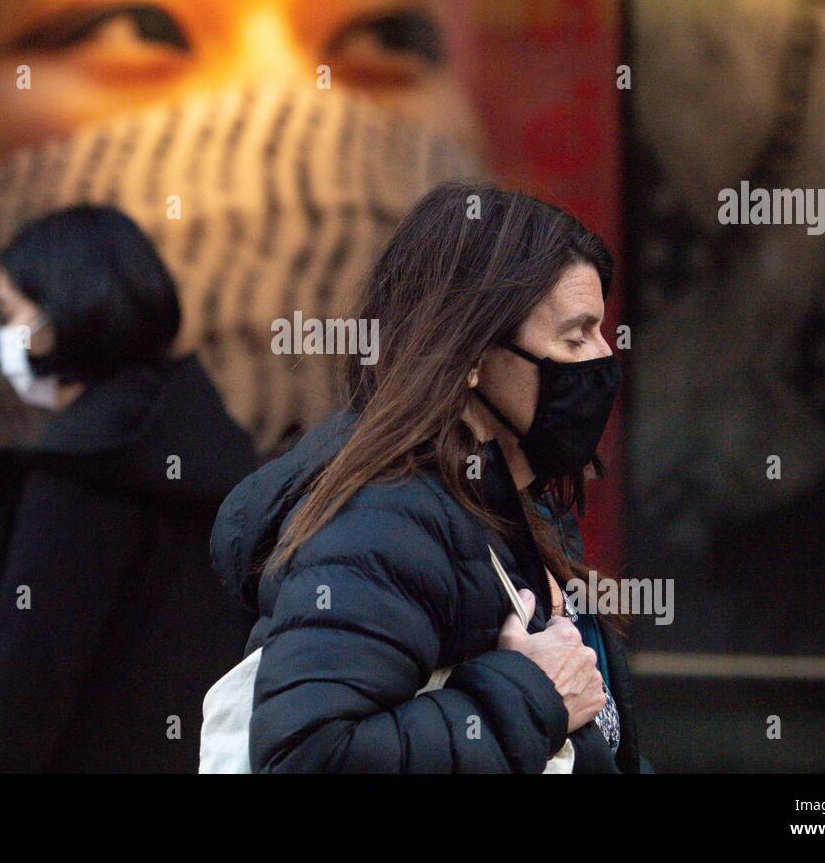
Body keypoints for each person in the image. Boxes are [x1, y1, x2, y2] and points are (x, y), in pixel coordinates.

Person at [210, 181, 644, 772]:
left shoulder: (519, 513)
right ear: (469, 357)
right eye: (575, 337)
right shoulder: (386, 518)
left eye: (600, 332)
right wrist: (529, 695)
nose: (602, 358)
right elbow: (305, 755)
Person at [0, 204, 256, 772]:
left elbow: (21, 685)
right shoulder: (204, 437)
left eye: (11, 313)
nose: (5, 337)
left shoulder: (71, 478)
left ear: (54, 319)